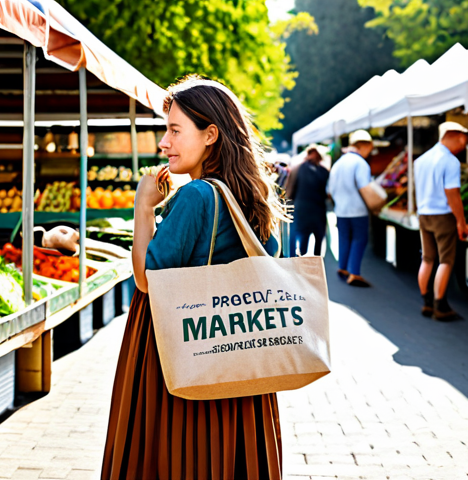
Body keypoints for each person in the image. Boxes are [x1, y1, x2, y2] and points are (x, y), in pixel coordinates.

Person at [102, 75, 286, 480]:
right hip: (240, 359)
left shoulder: (196, 195)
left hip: (187, 353)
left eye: (174, 130)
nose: (164, 143)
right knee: (230, 458)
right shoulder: (252, 196)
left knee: (180, 453)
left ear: (210, 135)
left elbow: (147, 280)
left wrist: (144, 208)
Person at [414, 122, 468, 320]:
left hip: (424, 213)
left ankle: (427, 302)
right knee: (445, 260)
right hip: (442, 215)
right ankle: (441, 305)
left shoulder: (421, 160)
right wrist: (461, 222)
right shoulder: (450, 161)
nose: (464, 143)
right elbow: (452, 194)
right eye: (463, 138)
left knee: (428, 258)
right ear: (455, 136)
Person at [327, 130, 374, 287]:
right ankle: (354, 273)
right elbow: (365, 187)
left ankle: (343, 268)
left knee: (344, 238)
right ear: (364, 146)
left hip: (341, 209)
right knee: (359, 239)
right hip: (357, 209)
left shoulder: (338, 163)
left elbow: (330, 190)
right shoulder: (360, 163)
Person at [285, 145, 329, 256]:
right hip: (303, 210)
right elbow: (290, 188)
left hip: (318, 210)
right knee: (303, 238)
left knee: (318, 238)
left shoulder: (324, 171)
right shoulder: (298, 168)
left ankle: (315, 264)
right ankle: (302, 263)